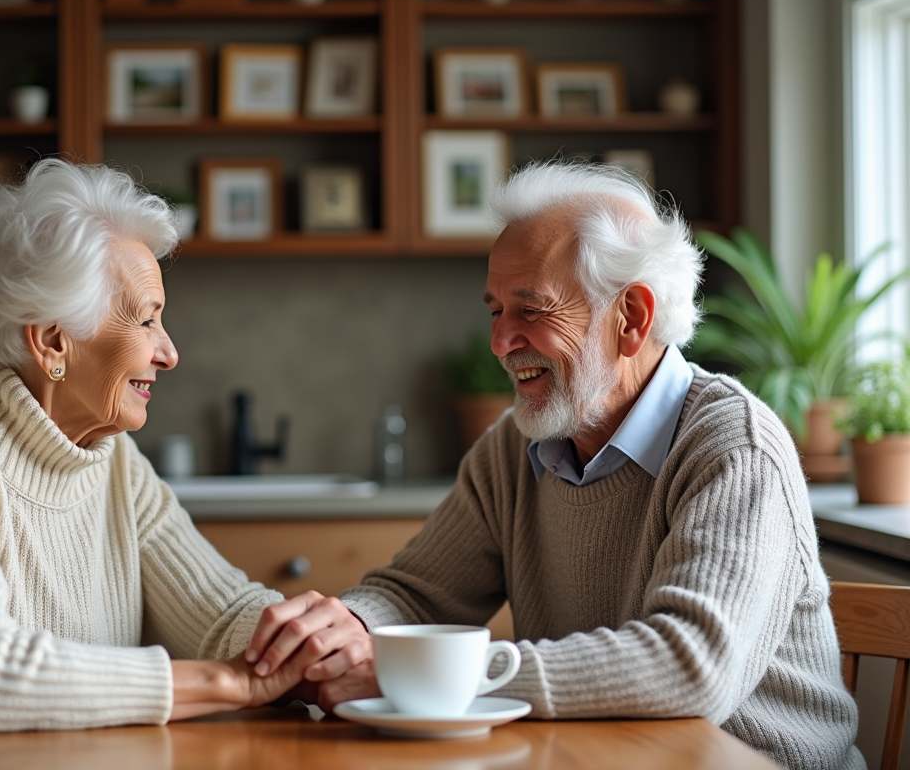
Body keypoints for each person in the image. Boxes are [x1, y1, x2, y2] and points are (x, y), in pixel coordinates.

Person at [247, 162, 863, 770]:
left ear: (632, 317)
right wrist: (347, 629)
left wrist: (437, 676)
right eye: (496, 310)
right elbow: (418, 594)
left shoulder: (734, 449)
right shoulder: (512, 449)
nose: (500, 342)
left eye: (532, 310)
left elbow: (690, 666)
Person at [0, 159, 363, 770]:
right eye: (147, 319)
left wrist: (307, 645)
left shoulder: (113, 461)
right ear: (52, 339)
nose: (169, 352)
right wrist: (232, 682)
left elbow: (221, 613)